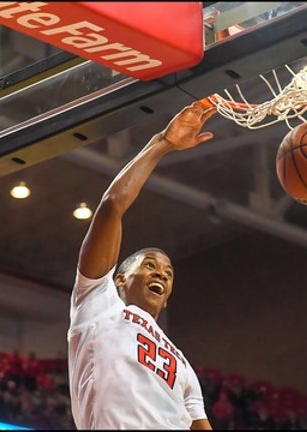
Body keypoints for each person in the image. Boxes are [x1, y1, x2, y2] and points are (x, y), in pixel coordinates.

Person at [67, 100, 217, 430]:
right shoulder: (97, 302)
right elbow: (111, 207)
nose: (161, 272)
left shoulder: (182, 364)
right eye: (150, 265)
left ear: (167, 297)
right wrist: (162, 143)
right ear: (120, 278)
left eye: (167, 272)